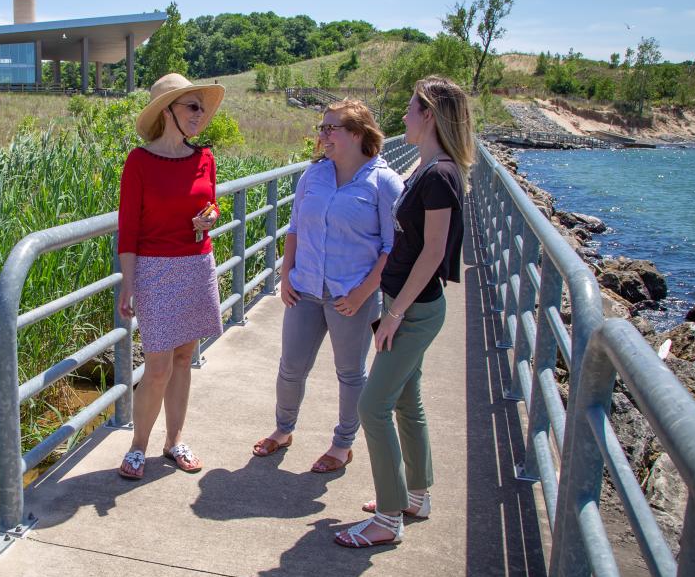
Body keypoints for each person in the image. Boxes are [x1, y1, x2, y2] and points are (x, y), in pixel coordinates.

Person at [335, 75, 474, 548]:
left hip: (413, 310)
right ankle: (416, 495)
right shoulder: (428, 168)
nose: (404, 116)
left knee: (372, 405)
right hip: (405, 305)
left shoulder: (439, 175)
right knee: (405, 400)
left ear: (429, 115)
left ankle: (388, 517)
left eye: (411, 108)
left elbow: (433, 252)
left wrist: (394, 316)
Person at [251, 101, 403, 473]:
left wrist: (362, 293)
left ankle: (342, 444)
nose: (322, 135)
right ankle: (283, 429)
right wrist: (286, 275)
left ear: (358, 133)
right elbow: (295, 228)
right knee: (290, 367)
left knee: (350, 373)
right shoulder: (314, 175)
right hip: (304, 288)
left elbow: (392, 247)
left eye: (330, 128)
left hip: (351, 296)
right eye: (321, 128)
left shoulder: (384, 182)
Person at [116, 73, 225, 479]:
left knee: (183, 358)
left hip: (196, 264)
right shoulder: (139, 162)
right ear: (167, 111)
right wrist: (128, 283)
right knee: (158, 365)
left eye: (202, 108)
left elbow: (211, 204)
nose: (199, 114)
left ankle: (174, 441)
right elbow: (128, 228)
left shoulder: (205, 157)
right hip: (154, 270)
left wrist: (210, 217)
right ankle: (137, 446)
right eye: (192, 107)